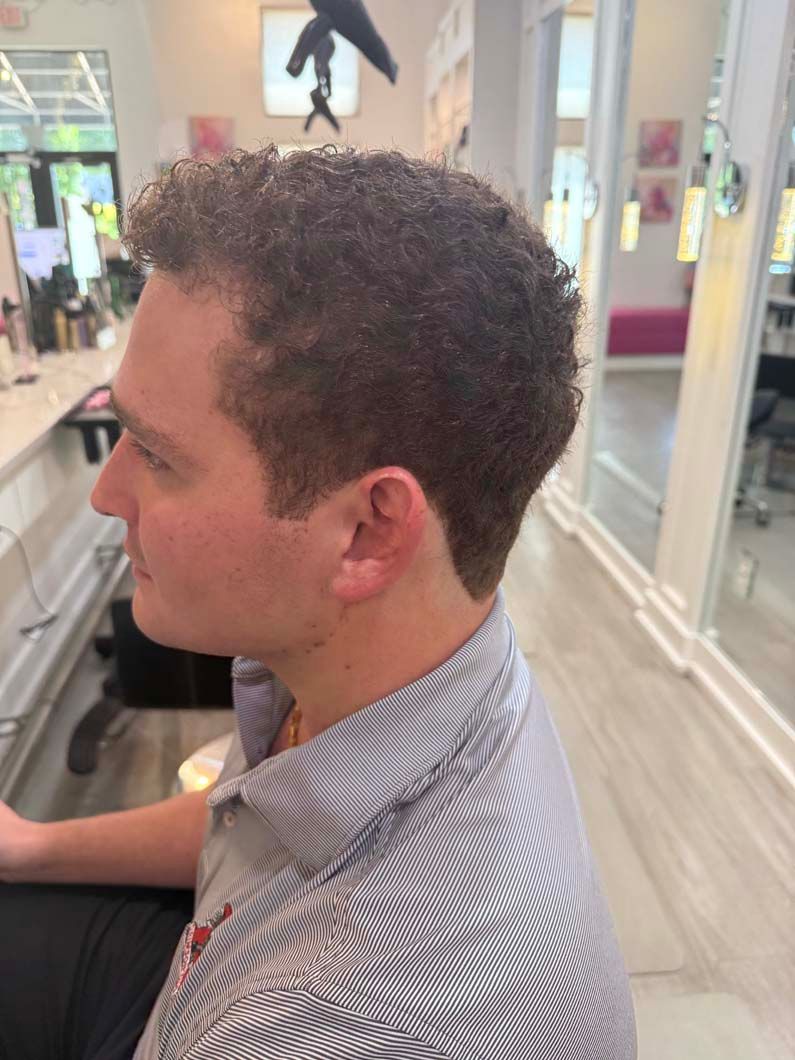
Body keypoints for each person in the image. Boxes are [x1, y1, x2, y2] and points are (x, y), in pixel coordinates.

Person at [0, 146, 636, 1059]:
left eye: (158, 454)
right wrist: (32, 847)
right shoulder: (418, 660)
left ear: (369, 532)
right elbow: (255, 824)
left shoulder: (323, 1022)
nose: (108, 492)